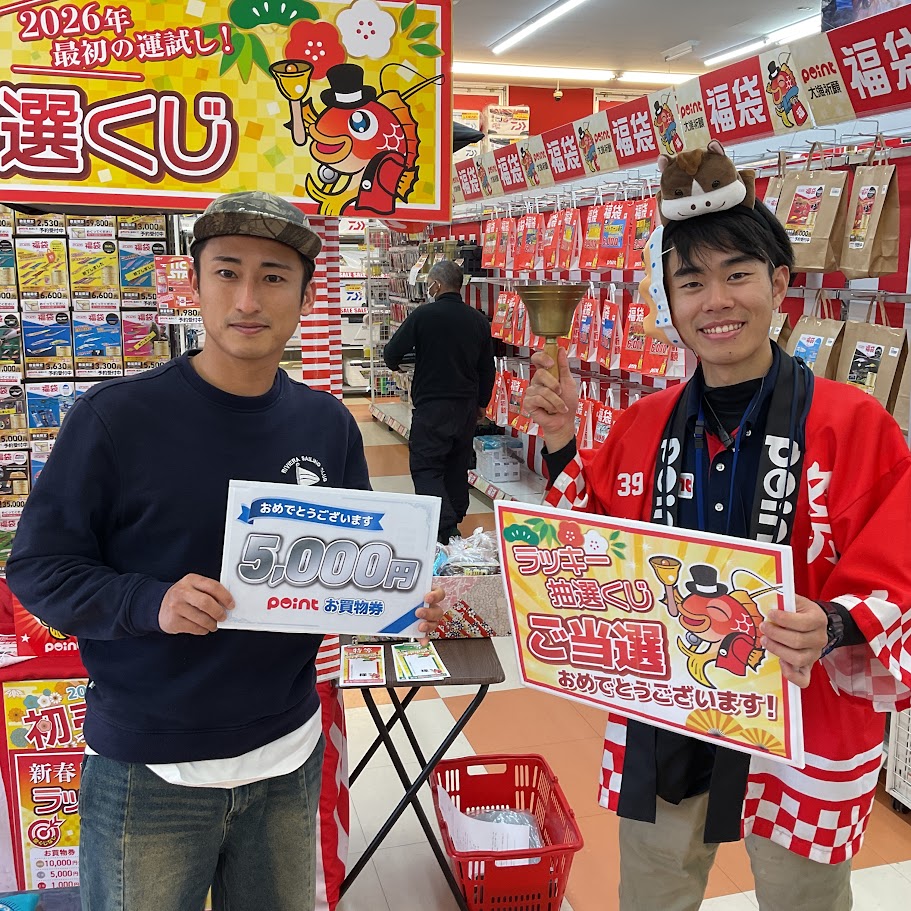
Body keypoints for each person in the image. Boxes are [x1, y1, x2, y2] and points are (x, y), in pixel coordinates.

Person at [6, 191, 445, 911]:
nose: (248, 299)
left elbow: (357, 564)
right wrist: (151, 601)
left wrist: (399, 597)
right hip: (150, 766)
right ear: (194, 283)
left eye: (273, 277)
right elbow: (38, 566)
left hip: (285, 752)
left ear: (305, 296)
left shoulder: (326, 423)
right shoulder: (116, 418)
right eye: (227, 272)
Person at [524, 147, 911, 911]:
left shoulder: (850, 421)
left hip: (800, 711)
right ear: (668, 300)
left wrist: (832, 621)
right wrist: (564, 438)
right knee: (653, 888)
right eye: (691, 281)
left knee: (803, 896)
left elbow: (895, 551)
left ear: (778, 282)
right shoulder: (642, 424)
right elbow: (590, 547)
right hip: (671, 707)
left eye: (737, 274)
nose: (715, 300)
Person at [384, 259, 495, 543]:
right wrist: (482, 403)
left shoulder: (424, 315)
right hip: (466, 406)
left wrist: (399, 365)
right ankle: (455, 518)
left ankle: (445, 529)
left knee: (426, 465)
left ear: (436, 284)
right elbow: (487, 368)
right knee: (457, 466)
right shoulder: (478, 320)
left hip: (432, 405)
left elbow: (392, 352)